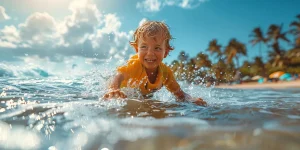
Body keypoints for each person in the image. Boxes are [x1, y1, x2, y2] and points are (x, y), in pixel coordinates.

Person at [103, 21, 206, 106]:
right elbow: (118, 76)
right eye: (144, 47)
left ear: (165, 52)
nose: (150, 53)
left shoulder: (165, 73)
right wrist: (113, 89)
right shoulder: (134, 65)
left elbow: (179, 94)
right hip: (121, 90)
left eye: (157, 48)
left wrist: (192, 100)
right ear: (136, 49)